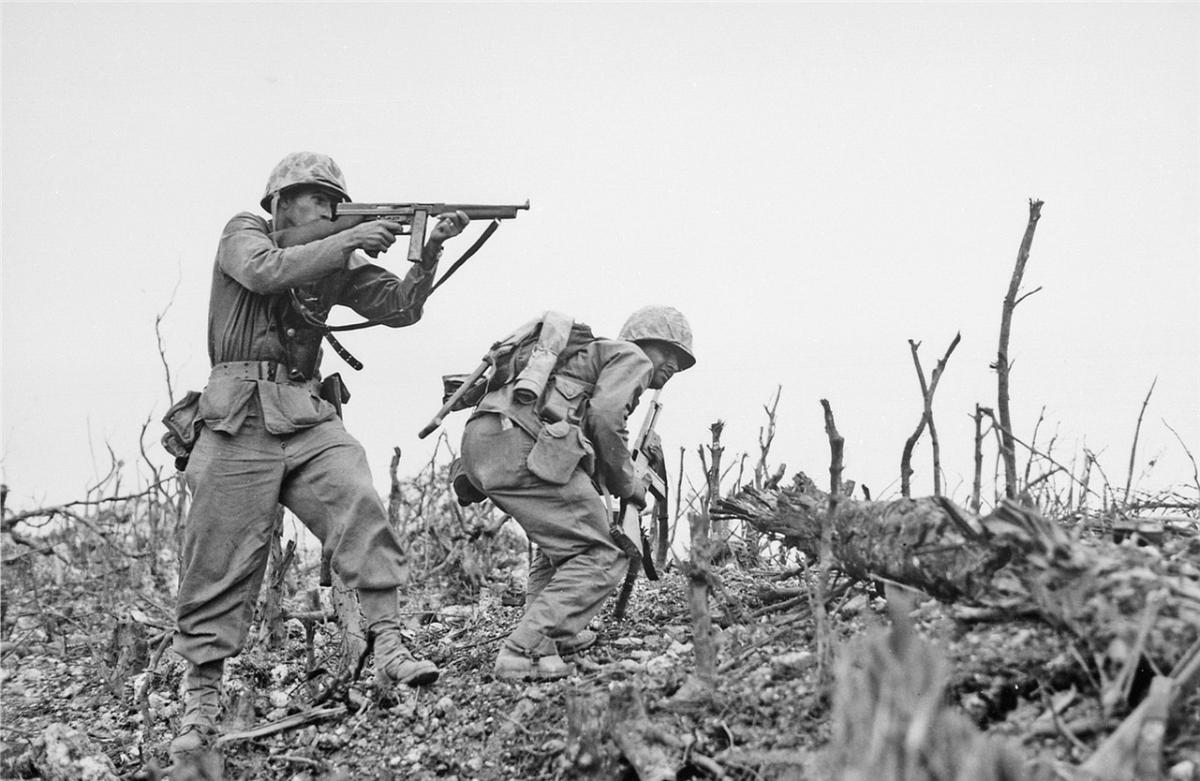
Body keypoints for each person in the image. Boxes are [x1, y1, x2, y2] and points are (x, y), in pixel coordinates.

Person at [170, 152, 468, 755]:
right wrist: (351, 236)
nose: (331, 209)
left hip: (305, 413)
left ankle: (387, 643)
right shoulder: (244, 232)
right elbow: (263, 271)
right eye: (318, 199)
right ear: (281, 203)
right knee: (219, 555)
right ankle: (200, 706)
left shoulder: (335, 258)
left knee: (357, 499)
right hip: (238, 418)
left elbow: (399, 308)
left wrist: (428, 247)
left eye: (337, 200)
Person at [458, 306, 696, 681]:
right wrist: (628, 483)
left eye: (682, 363)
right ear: (647, 342)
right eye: (671, 353)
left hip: (485, 441)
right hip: (520, 442)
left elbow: (587, 431)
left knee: (565, 545)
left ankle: (551, 637)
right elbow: (605, 418)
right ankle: (528, 649)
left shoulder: (589, 362)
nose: (673, 367)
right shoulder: (631, 357)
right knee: (602, 551)